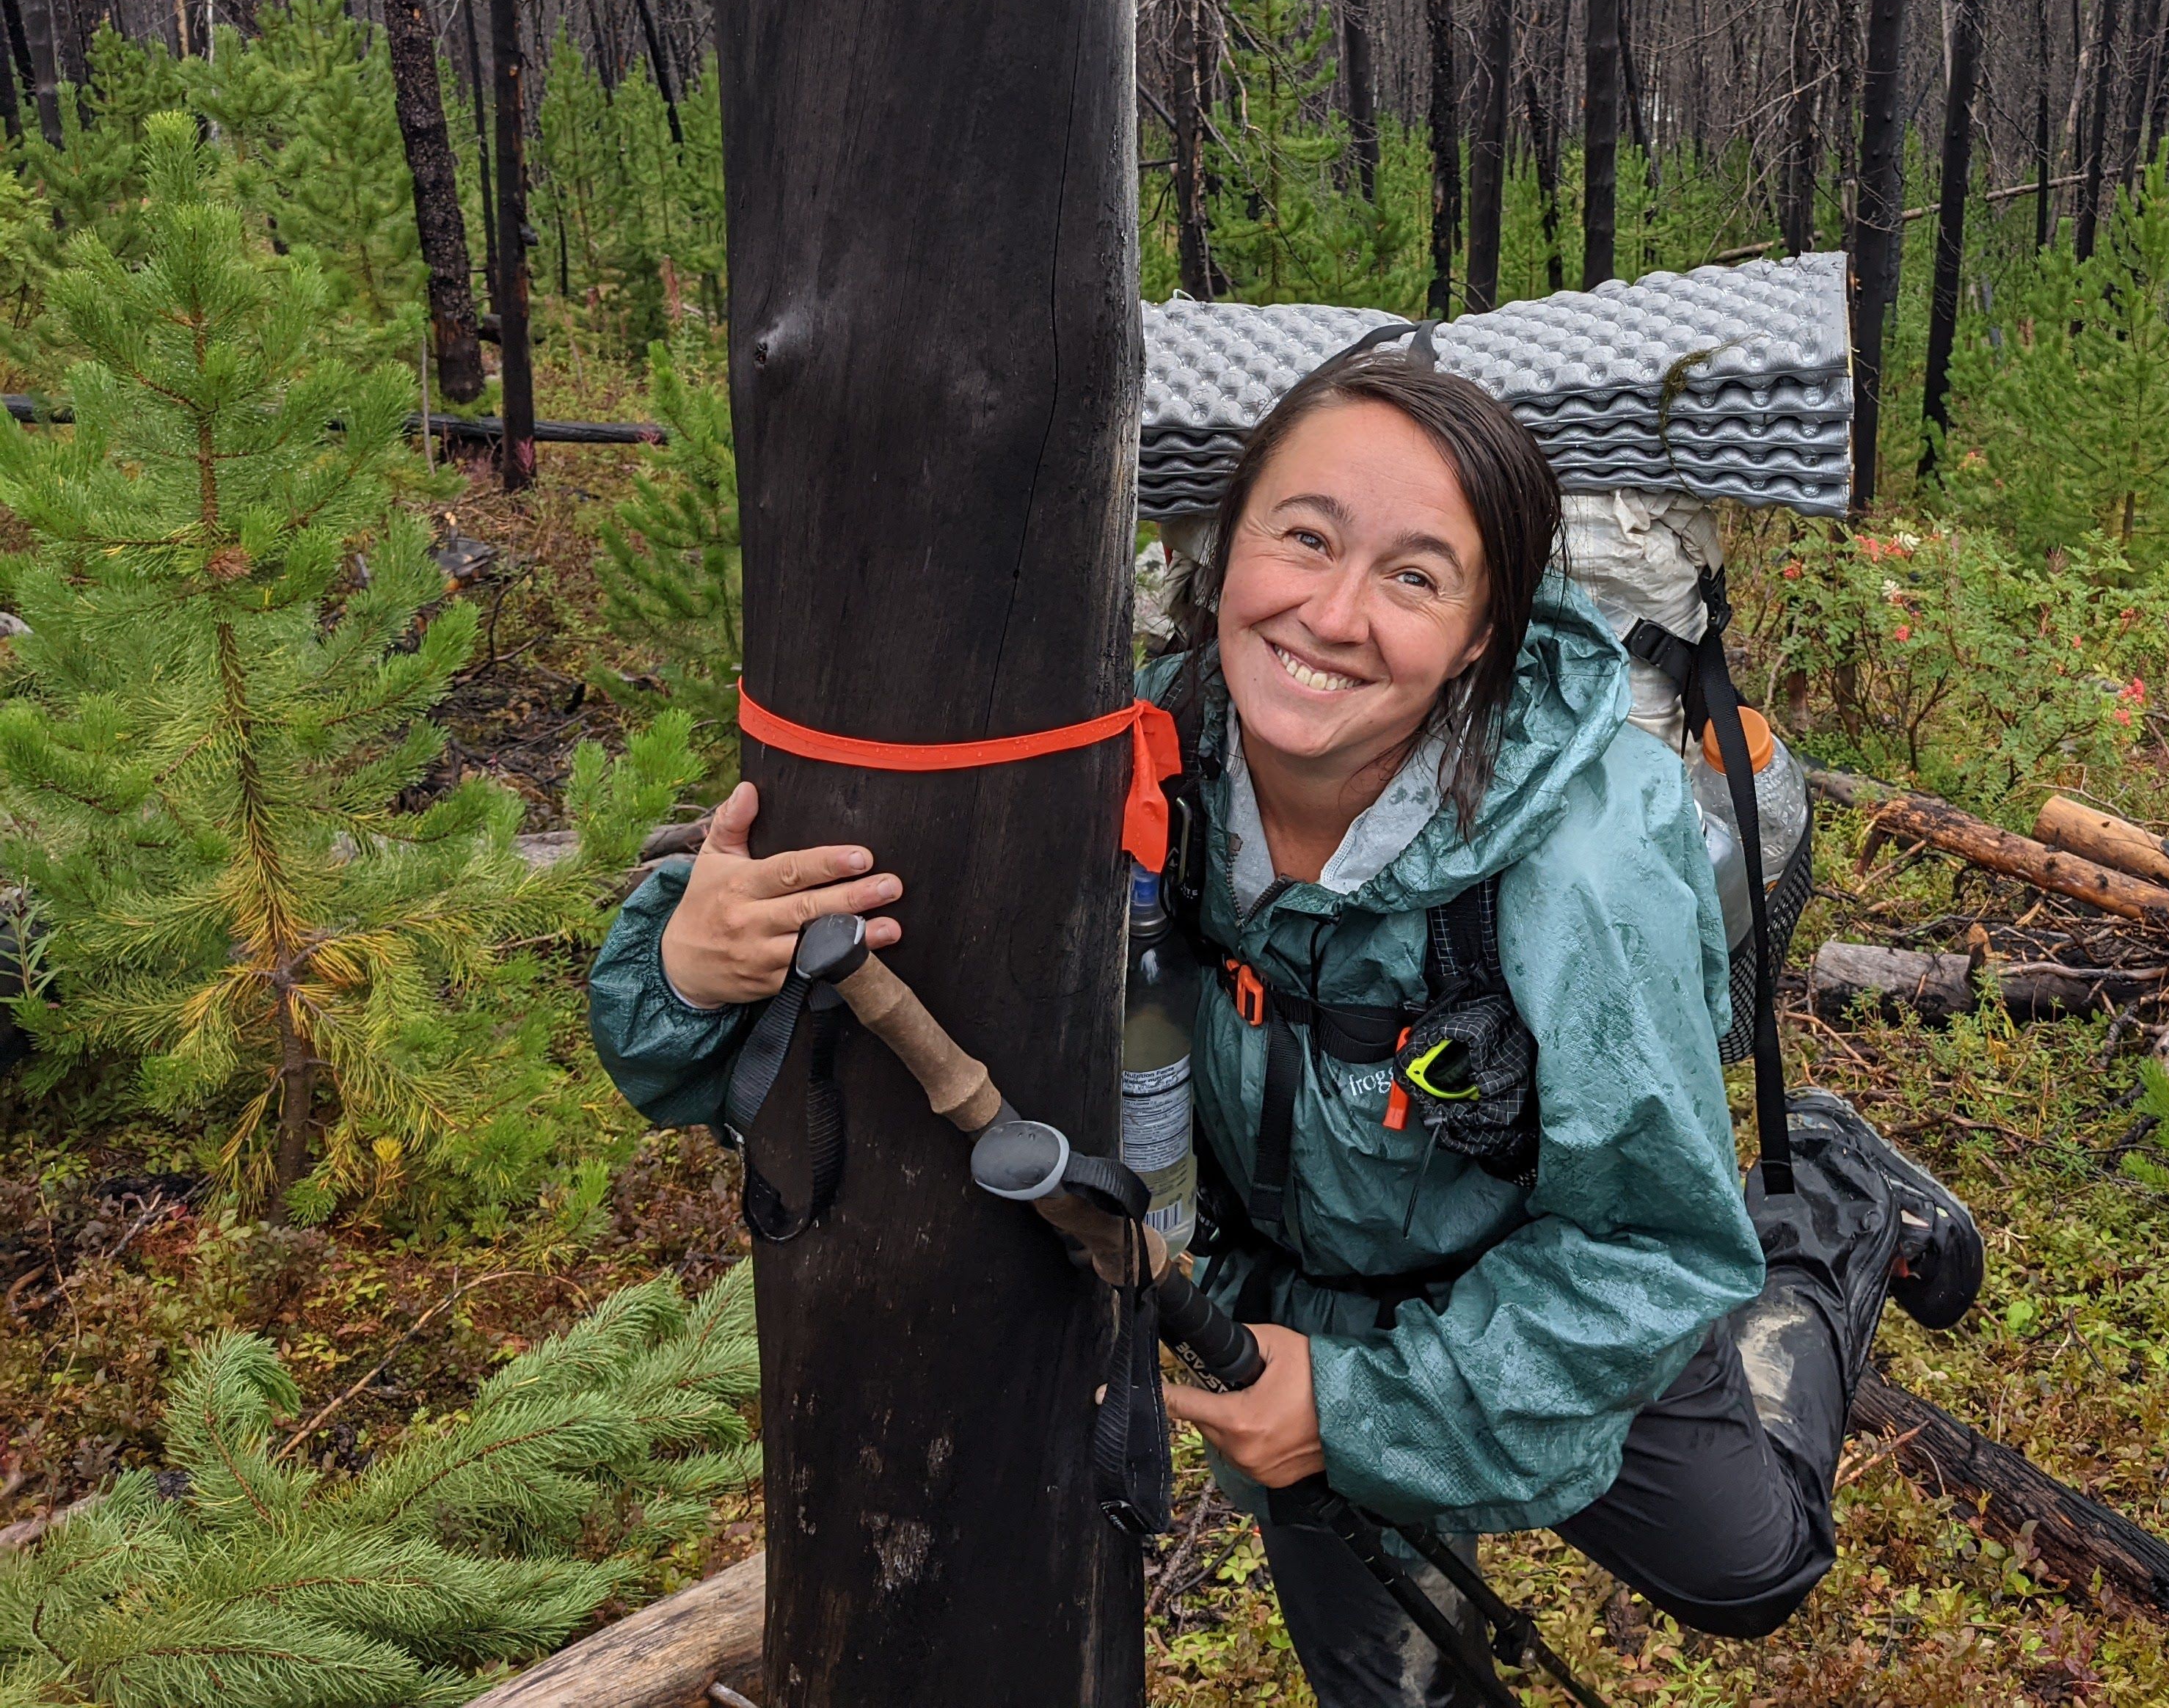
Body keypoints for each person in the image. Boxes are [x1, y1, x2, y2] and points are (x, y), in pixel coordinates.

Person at [589, 354, 1983, 1706]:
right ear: (1227, 554)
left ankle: (1835, 1198)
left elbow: (1649, 1247)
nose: (1331, 613)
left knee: (1748, 1568)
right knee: (1381, 1674)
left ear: (1484, 632)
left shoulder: (1584, 869)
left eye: (1416, 577)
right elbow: (747, 988)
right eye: (1301, 538)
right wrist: (691, 963)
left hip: (1546, 1256)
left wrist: (1365, 1406)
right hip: (1279, 1295)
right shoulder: (1132, 744)